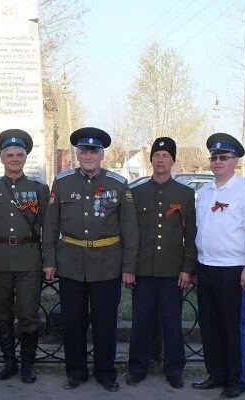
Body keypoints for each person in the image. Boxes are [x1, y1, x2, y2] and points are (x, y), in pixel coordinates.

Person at [42, 127, 139, 392]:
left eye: (93, 151)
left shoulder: (118, 184)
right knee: (73, 322)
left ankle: (106, 373)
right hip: (71, 263)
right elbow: (50, 226)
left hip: (107, 265)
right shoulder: (62, 182)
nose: (88, 155)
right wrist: (49, 260)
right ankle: (75, 372)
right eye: (83, 150)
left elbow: (130, 230)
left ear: (102, 154)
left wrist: (128, 267)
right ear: (77, 153)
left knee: (105, 322)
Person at [191, 133, 245, 399]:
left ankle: (236, 380)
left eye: (224, 157)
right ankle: (216, 374)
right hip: (206, 267)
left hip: (233, 269)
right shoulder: (205, 191)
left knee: (232, 326)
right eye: (214, 157)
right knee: (209, 326)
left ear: (236, 161)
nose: (218, 161)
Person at [0, 129, 50, 384]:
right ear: (1, 158)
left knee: (28, 314)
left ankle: (28, 364)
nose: (15, 159)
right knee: (1, 314)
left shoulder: (39, 189)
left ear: (26, 157)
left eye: (20, 154)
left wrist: (49, 261)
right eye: (10, 154)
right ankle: (9, 361)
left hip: (29, 259)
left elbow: (48, 229)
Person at [127, 137, 197, 389]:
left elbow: (190, 235)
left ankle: (174, 369)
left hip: (172, 270)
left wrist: (187, 268)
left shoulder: (185, 194)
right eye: (156, 155)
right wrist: (129, 267)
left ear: (173, 161)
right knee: (141, 321)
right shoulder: (136, 193)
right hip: (143, 270)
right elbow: (130, 233)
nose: (160, 159)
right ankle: (137, 367)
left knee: (172, 322)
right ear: (151, 160)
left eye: (166, 155)